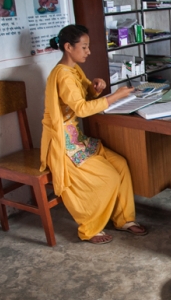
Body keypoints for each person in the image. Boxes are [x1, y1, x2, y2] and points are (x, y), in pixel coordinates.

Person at [40, 24, 148, 244]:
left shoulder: (74, 69)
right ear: (69, 47)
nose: (88, 51)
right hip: (65, 146)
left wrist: (96, 87)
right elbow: (81, 108)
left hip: (78, 139)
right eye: (85, 47)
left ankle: (124, 219)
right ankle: (89, 228)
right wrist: (115, 96)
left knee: (120, 164)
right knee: (109, 177)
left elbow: (85, 94)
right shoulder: (63, 75)